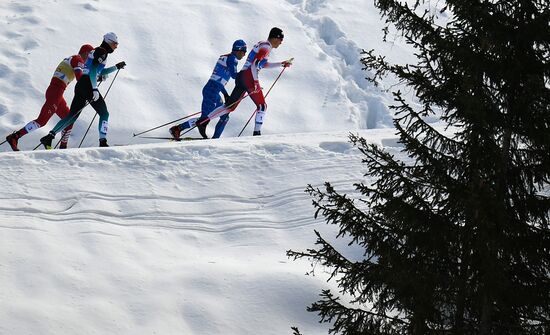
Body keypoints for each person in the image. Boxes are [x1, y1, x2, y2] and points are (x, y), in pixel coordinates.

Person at [197, 27, 292, 137]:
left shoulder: (262, 44)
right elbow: (256, 64)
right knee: (262, 106)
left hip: (242, 76)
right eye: (281, 40)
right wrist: (255, 82)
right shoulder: (266, 47)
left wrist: (281, 64)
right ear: (276, 38)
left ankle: (203, 121)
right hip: (249, 77)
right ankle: (257, 133)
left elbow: (262, 64)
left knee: (229, 106)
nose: (281, 43)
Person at [40, 32, 126, 149]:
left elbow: (98, 71)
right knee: (104, 113)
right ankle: (103, 141)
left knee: (72, 116)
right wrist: (94, 88)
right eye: (115, 44)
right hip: (89, 85)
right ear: (109, 42)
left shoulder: (96, 50)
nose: (116, 47)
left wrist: (116, 67)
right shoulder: (103, 52)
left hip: (81, 85)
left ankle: (50, 136)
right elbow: (93, 70)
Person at [5, 44, 94, 151]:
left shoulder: (75, 59)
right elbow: (80, 77)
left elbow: (83, 76)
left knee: (69, 120)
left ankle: (63, 147)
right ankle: (15, 137)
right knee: (42, 121)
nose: (90, 59)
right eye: (90, 56)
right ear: (86, 53)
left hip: (57, 92)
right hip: (55, 92)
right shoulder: (78, 59)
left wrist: (95, 77)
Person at [169, 39, 247, 140]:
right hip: (212, 92)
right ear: (239, 50)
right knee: (205, 119)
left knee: (223, 117)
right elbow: (233, 76)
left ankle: (214, 139)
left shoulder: (225, 57)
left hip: (212, 90)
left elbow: (218, 80)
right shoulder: (233, 59)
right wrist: (247, 76)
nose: (244, 55)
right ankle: (178, 129)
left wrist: (225, 94)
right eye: (244, 52)